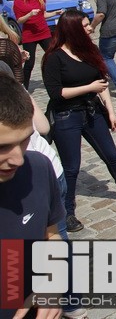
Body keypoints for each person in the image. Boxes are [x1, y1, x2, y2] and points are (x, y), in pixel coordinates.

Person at [41, 10, 116, 233]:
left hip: (93, 112)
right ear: (72, 30)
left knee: (111, 155)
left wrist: (110, 111)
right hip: (66, 116)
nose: (91, 28)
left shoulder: (89, 50)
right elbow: (56, 93)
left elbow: (101, 83)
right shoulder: (54, 57)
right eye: (86, 26)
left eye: (90, 25)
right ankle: (67, 211)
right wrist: (89, 88)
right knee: (71, 167)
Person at [0, 72, 66, 319]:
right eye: (2, 147)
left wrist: (51, 280)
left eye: (25, 140)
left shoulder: (38, 167)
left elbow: (51, 234)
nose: (18, 159)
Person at [13, 0, 62, 90]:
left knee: (53, 56)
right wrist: (30, 14)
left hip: (43, 32)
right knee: (29, 63)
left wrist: (55, 12)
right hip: (29, 35)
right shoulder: (18, 2)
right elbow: (19, 20)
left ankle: (58, 80)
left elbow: (43, 15)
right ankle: (23, 87)